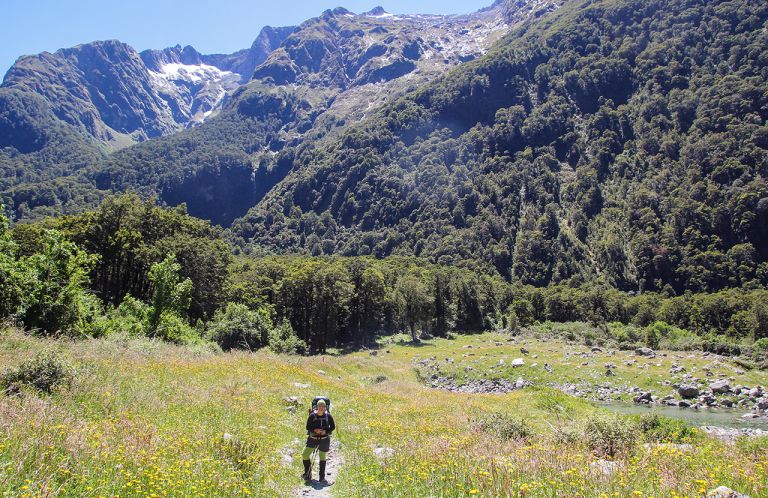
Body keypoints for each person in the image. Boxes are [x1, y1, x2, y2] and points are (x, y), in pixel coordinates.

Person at [301, 399, 335, 483]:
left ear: (325, 407)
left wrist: (325, 431)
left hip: (324, 439)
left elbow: (333, 427)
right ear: (317, 406)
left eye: (323, 406)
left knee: (322, 457)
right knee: (305, 454)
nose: (321, 407)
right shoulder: (312, 415)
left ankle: (322, 478)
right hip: (313, 438)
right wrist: (315, 430)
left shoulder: (328, 416)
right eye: (320, 406)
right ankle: (307, 474)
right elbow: (308, 427)